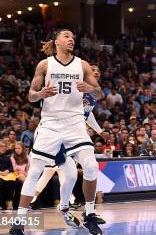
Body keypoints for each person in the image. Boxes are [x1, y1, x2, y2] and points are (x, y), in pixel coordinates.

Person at [11, 30, 103, 235]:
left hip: (74, 122)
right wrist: (41, 93)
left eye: (73, 37)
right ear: (56, 42)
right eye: (67, 36)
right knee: (34, 171)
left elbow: (99, 92)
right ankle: (19, 223)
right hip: (50, 123)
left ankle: (89, 215)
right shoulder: (45, 65)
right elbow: (31, 96)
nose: (71, 39)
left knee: (91, 166)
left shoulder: (83, 65)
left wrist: (89, 87)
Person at [29, 64, 106, 226]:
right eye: (93, 70)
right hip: (54, 135)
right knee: (58, 173)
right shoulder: (73, 86)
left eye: (98, 70)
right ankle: (50, 205)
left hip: (73, 138)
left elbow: (88, 113)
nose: (96, 72)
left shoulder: (91, 93)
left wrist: (99, 131)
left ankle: (81, 210)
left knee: (80, 171)